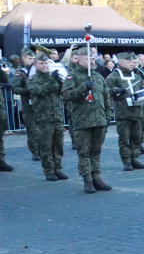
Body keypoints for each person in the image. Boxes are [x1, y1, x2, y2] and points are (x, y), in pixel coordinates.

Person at [62, 45, 114, 193]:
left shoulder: (98, 77)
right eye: (87, 58)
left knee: (96, 151)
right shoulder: (73, 76)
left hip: (99, 120)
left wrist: (108, 116)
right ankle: (87, 180)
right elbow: (66, 95)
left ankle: (97, 177)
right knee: (84, 151)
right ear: (79, 60)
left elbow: (106, 97)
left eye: (92, 57)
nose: (91, 60)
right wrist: (83, 88)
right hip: (82, 121)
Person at [22, 52, 67, 181]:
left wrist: (59, 80)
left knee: (58, 145)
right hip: (43, 118)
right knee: (46, 145)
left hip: (57, 116)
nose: (45, 65)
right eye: (41, 63)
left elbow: (62, 91)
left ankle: (57, 168)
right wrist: (51, 80)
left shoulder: (53, 76)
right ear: (35, 65)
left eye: (46, 63)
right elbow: (38, 91)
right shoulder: (32, 80)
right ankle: (49, 170)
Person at [106, 52, 144, 171]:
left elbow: (143, 88)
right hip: (123, 112)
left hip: (137, 111)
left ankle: (134, 158)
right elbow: (106, 89)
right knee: (124, 138)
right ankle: (126, 160)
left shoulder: (137, 75)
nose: (131, 64)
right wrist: (117, 90)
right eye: (128, 62)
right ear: (121, 62)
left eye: (131, 62)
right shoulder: (114, 76)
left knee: (136, 137)